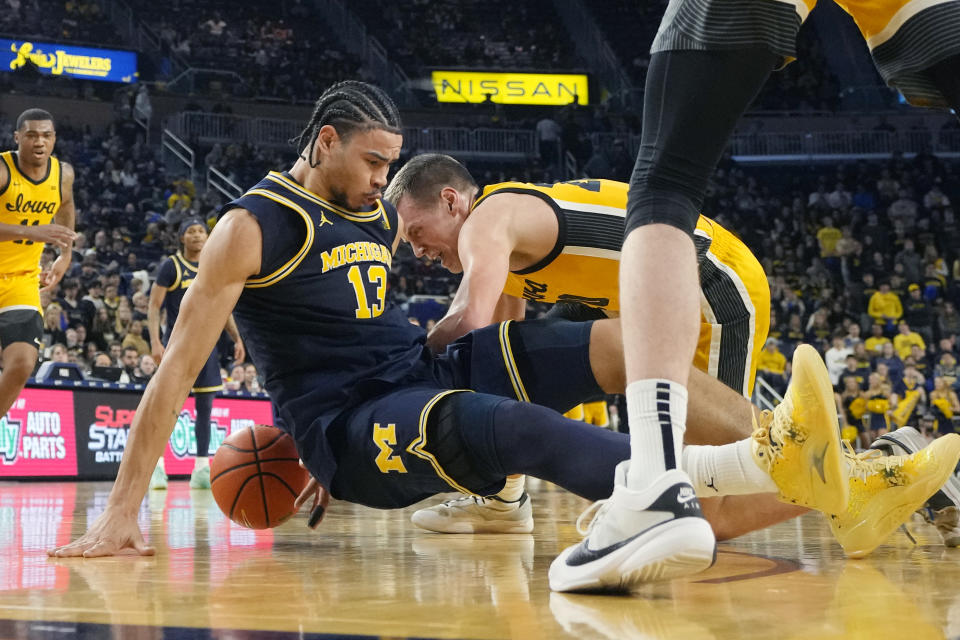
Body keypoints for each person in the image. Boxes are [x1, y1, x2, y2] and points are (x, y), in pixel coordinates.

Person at [48, 81, 959, 568]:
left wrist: (475, 343)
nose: (379, 184)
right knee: (528, 432)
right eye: (371, 164)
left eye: (390, 168)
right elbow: (174, 369)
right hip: (347, 429)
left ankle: (824, 467)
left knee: (623, 353)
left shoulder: (367, 211)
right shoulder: (252, 228)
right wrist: (125, 511)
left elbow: (472, 311)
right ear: (322, 142)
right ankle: (773, 471)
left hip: (414, 369)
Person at [550, 0, 960, 592]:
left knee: (666, 180)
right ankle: (860, 474)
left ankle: (652, 486)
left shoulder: (495, 218)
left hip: (722, 281)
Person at [386, 155, 770, 533]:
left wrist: (399, 365)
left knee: (703, 505)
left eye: (417, 233)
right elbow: (500, 364)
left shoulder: (486, 221)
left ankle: (819, 459)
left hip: (712, 283)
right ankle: (501, 501)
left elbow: (467, 319)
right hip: (637, 301)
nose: (418, 252)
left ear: (451, 202)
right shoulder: (500, 239)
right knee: (517, 372)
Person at [148, 218, 245, 490]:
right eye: (191, 231)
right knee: (168, 408)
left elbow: (222, 306)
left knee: (205, 410)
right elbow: (154, 306)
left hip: (208, 345)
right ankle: (157, 466)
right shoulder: (171, 266)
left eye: (201, 231)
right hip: (176, 345)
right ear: (182, 237)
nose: (197, 235)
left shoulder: (213, 264)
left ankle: (201, 467)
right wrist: (155, 342)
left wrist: (237, 337)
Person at [0, 109, 76, 422]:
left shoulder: (63, 174)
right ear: (17, 138)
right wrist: (31, 232)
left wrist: (65, 254)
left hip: (20, 281)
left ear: (54, 138)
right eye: (31, 135)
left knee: (21, 363)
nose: (39, 141)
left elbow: (66, 204)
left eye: (46, 135)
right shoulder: (3, 170)